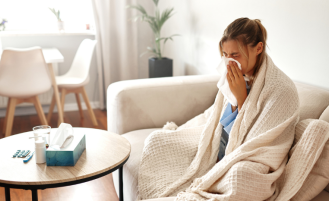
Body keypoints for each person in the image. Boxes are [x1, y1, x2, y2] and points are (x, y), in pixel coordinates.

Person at [217, 18, 267, 161]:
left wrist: (241, 98)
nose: (229, 61)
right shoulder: (236, 78)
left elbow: (250, 138)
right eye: (225, 55)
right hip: (222, 147)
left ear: (258, 48)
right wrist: (233, 97)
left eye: (235, 55)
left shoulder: (271, 86)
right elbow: (222, 127)